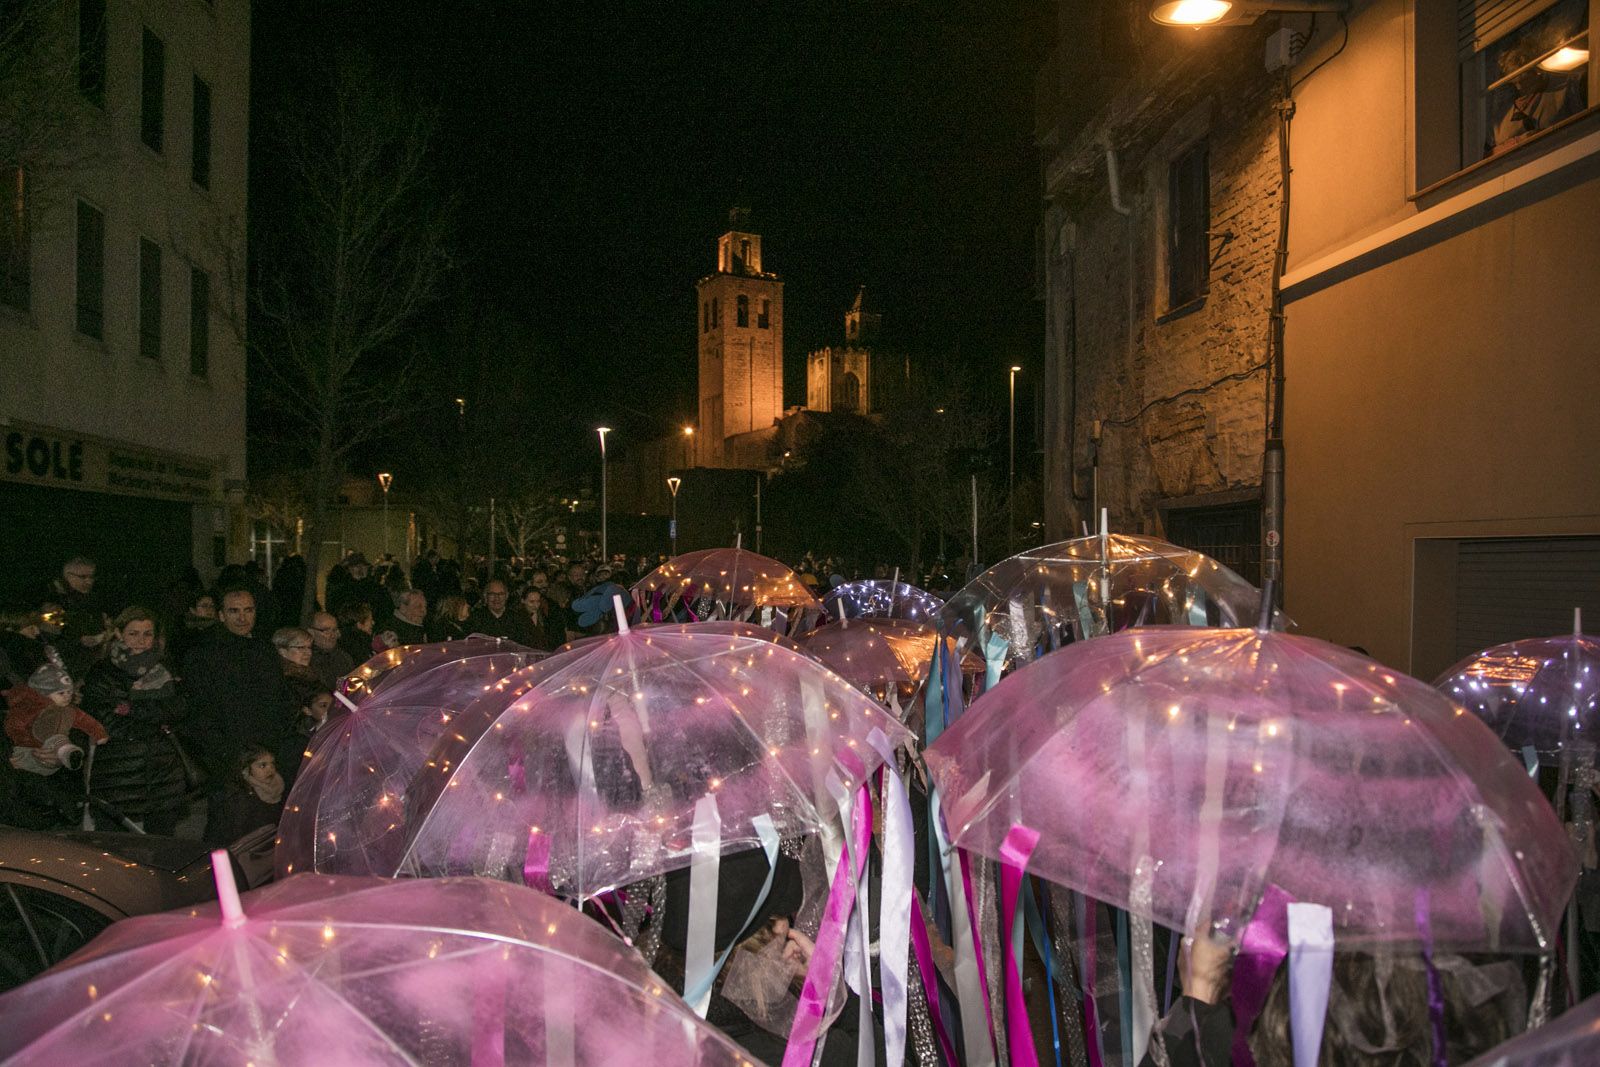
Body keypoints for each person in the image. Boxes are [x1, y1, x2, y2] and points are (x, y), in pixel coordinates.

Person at [80, 607, 189, 834]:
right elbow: (108, 723)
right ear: (119, 634)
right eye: (133, 633)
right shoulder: (103, 672)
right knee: (117, 853)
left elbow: (180, 710)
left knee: (162, 850)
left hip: (162, 777)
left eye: (147, 634)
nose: (140, 640)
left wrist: (133, 710)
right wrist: (156, 719)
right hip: (119, 778)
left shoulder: (166, 669)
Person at [179, 589, 297, 786]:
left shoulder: (264, 649)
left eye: (248, 610)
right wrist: (224, 752)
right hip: (227, 756)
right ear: (221, 615)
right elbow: (199, 709)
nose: (242, 618)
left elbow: (280, 696)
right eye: (234, 611)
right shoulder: (203, 654)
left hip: (267, 749)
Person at [1490, 40, 1584, 155]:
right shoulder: (1501, 116)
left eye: (1524, 80)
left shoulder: (1566, 90)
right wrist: (1518, 141)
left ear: (1537, 71)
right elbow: (1487, 155)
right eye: (1514, 82)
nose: (1519, 87)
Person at [204, 745, 285, 847]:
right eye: (262, 765)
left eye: (272, 764)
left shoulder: (278, 786)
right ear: (247, 769)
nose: (270, 769)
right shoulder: (239, 797)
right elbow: (232, 836)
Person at [48, 556, 111, 679]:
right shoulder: (54, 602)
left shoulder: (91, 600)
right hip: (66, 669)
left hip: (91, 665)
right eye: (83, 577)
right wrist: (79, 641)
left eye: (91, 577)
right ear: (67, 575)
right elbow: (49, 637)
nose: (89, 581)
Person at [167, 590, 219, 665]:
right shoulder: (182, 633)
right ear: (193, 610)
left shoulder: (220, 630)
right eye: (204, 606)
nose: (209, 609)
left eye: (212, 606)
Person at [307, 611, 354, 691]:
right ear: (311, 632)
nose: (332, 635)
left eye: (334, 630)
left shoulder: (344, 658)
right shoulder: (306, 658)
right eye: (326, 630)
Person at [517, 586, 562, 650]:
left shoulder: (543, 615)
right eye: (531, 602)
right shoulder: (517, 618)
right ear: (523, 601)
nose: (536, 605)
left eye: (538, 601)